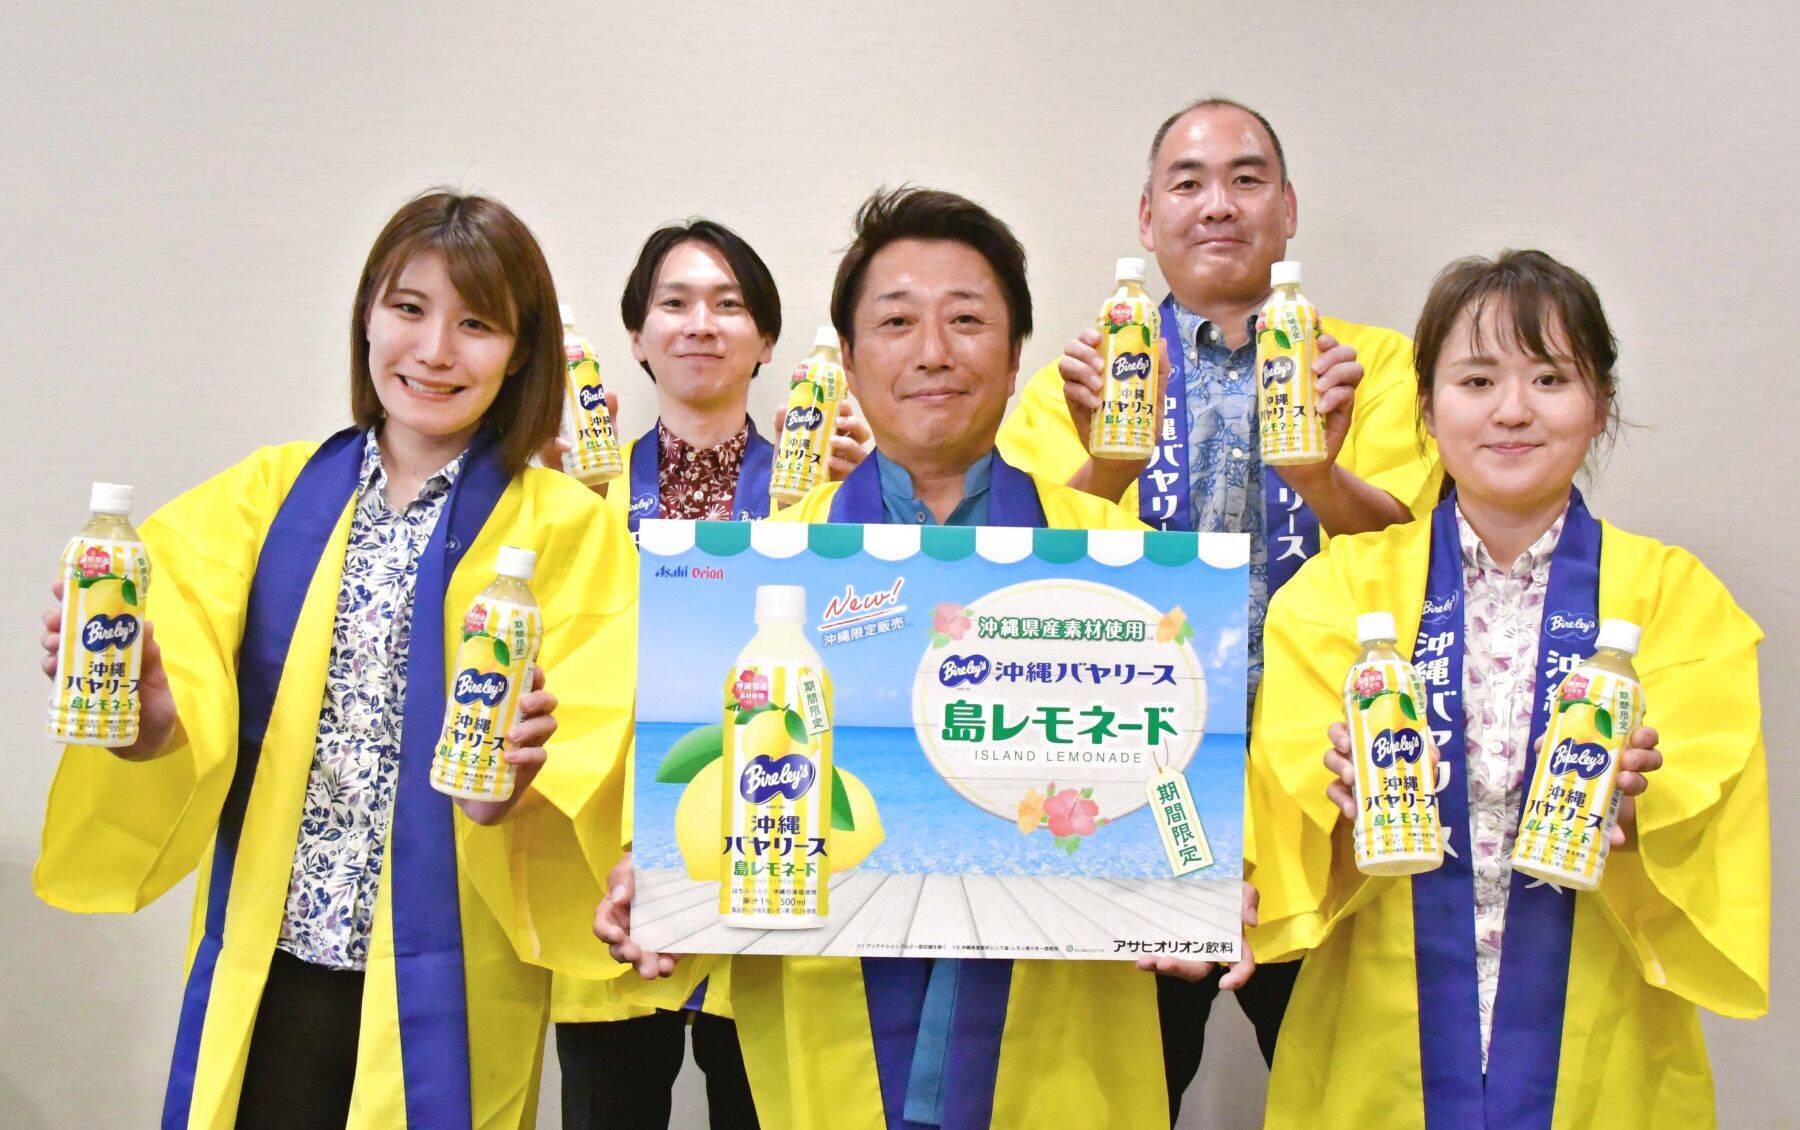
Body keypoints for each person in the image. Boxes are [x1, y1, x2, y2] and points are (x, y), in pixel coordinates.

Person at [33, 190, 636, 1129]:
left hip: (454, 970)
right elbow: (176, 681)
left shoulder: (569, 531)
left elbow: (603, 737)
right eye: (409, 309)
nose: (434, 350)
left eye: (476, 324)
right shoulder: (266, 494)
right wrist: (148, 723)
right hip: (274, 952)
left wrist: (518, 792)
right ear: (366, 317)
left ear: (521, 353)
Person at [597, 186, 1177, 1128]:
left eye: (967, 320)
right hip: (827, 1029)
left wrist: (1206, 878)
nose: (933, 351)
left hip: (1063, 1040)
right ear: (851, 360)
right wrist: (649, 870)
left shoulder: (1120, 558)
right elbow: (694, 786)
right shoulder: (756, 568)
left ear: (1016, 354)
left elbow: (1179, 779)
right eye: (897, 322)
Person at [1248, 250, 1768, 1127]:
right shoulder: (1337, 592)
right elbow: (1280, 822)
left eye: (1551, 378)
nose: (1513, 410)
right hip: (1381, 1029)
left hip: (1599, 1031)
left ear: (1600, 403)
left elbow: (1708, 813)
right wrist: (1333, 801)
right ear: (1426, 407)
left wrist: (1643, 803)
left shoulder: (1676, 596)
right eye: (1478, 380)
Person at [996, 96, 1440, 1117]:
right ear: (1146, 216)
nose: (1219, 204)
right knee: (1114, 1088)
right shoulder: (1078, 376)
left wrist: (1321, 473)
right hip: (1132, 786)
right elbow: (1021, 591)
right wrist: (1107, 459)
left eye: (1247, 179)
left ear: (1289, 208)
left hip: (1325, 786)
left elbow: (1417, 563)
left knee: (1354, 1088)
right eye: (1188, 182)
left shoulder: (1371, 367)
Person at [552, 219, 854, 1130]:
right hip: (608, 863)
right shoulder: (578, 492)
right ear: (636, 337)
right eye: (674, 303)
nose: (700, 324)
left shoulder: (825, 489)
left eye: (729, 305)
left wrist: (868, 509)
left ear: (766, 341)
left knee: (762, 1106)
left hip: (768, 845)